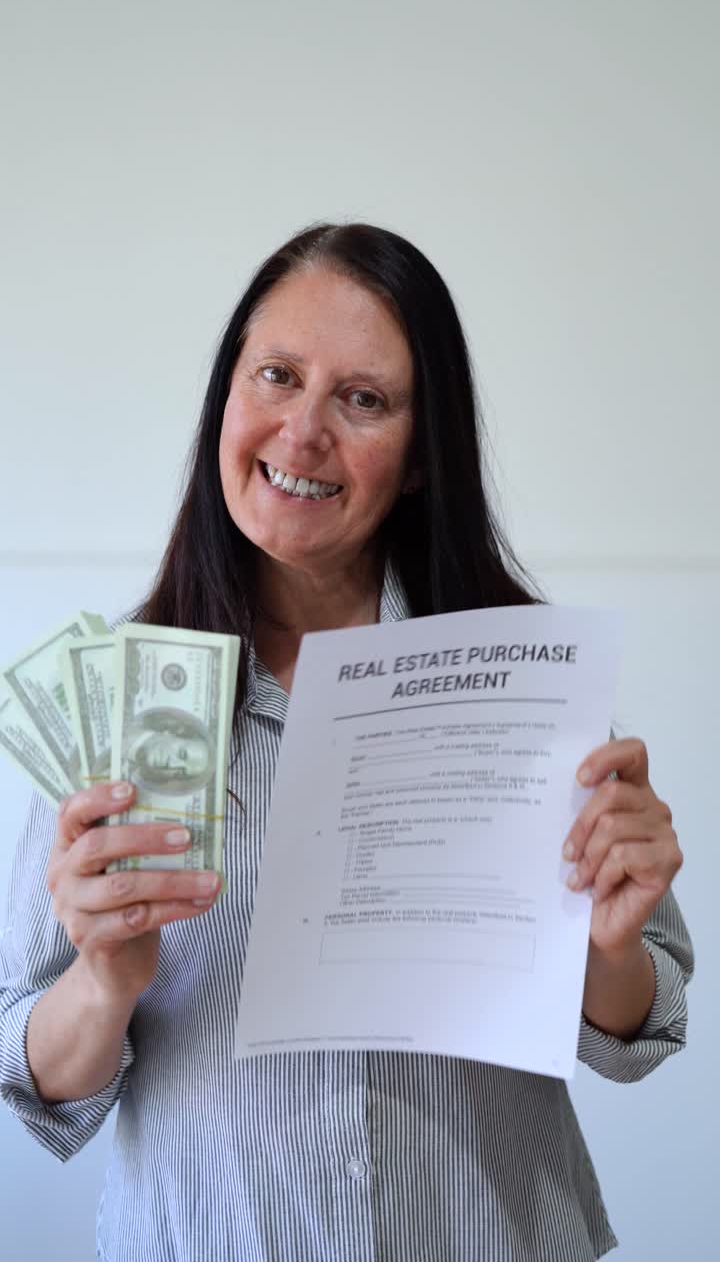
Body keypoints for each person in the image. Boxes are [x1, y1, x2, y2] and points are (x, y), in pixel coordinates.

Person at [0, 223, 692, 1261]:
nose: (303, 430)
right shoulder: (127, 707)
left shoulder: (524, 688)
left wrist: (605, 944)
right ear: (225, 399)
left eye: (363, 398)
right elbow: (36, 1078)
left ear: (420, 457)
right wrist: (105, 979)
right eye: (276, 374)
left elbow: (636, 1034)